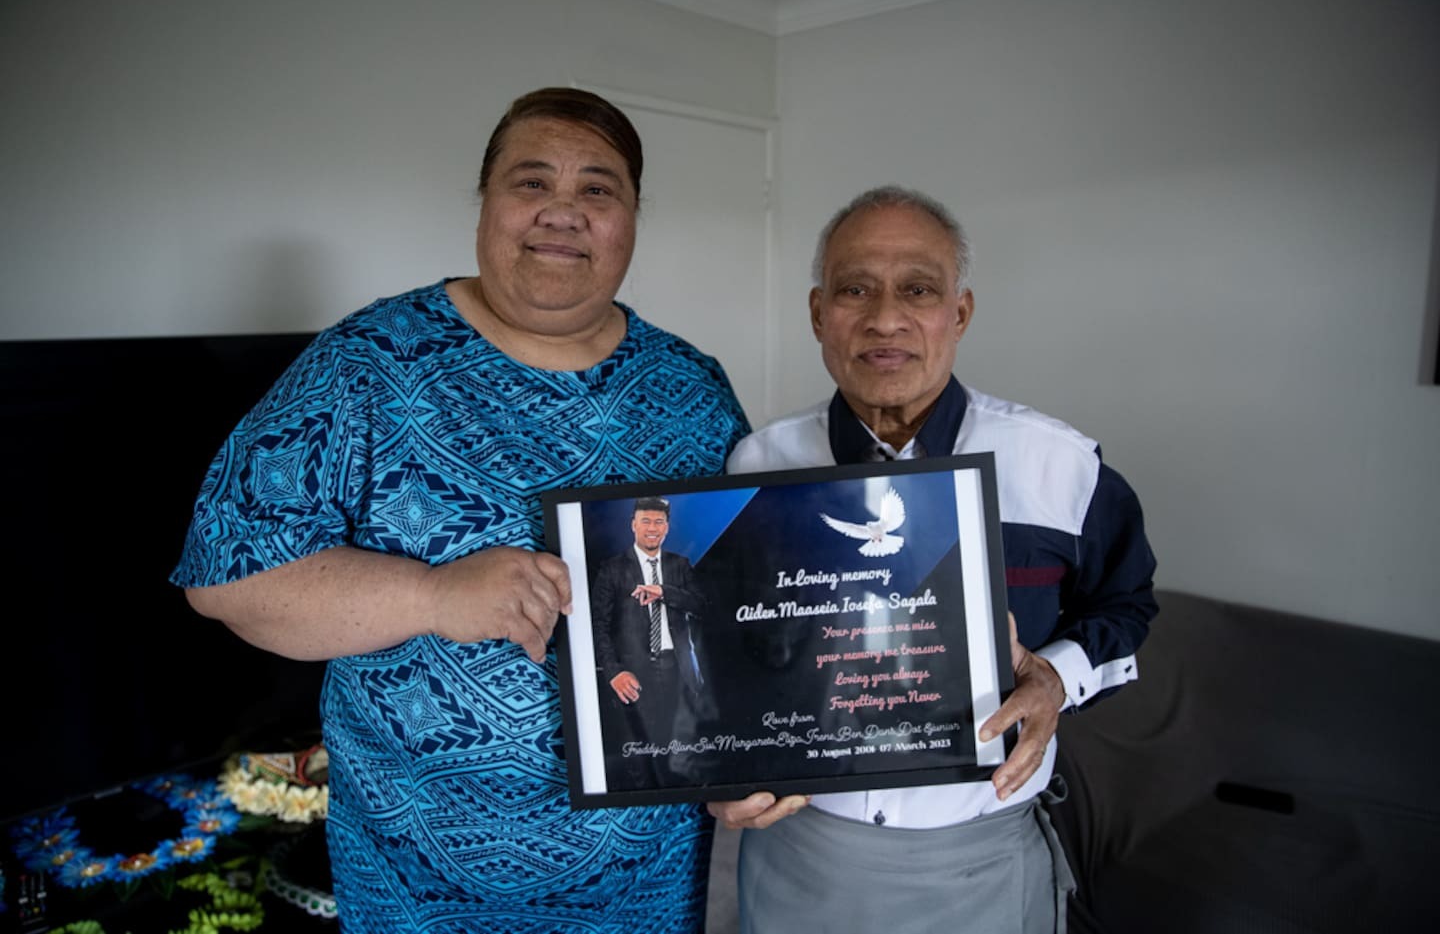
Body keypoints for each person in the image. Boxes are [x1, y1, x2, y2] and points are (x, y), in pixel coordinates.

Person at [170, 87, 750, 933]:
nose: (563, 211)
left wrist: (758, 752)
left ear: (631, 218)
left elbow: (738, 601)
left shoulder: (692, 389)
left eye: (598, 188)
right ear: (485, 201)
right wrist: (433, 594)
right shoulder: (368, 365)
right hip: (419, 887)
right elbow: (227, 575)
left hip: (644, 882)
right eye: (531, 181)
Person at [709, 185, 1158, 934]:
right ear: (818, 313)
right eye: (856, 289)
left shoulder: (1058, 466)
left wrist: (1056, 679)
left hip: (982, 862)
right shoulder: (756, 467)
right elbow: (724, 649)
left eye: (917, 290)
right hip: (797, 855)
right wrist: (715, 763)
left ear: (960, 312)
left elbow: (1127, 604)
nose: (885, 319)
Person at [590, 496, 710, 790]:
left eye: (659, 522)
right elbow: (597, 626)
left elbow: (702, 606)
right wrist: (614, 671)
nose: (652, 528)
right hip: (634, 674)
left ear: (667, 527)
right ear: (633, 525)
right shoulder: (612, 569)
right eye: (646, 521)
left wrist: (664, 592)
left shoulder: (679, 565)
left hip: (679, 671)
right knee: (640, 758)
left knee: (681, 754)